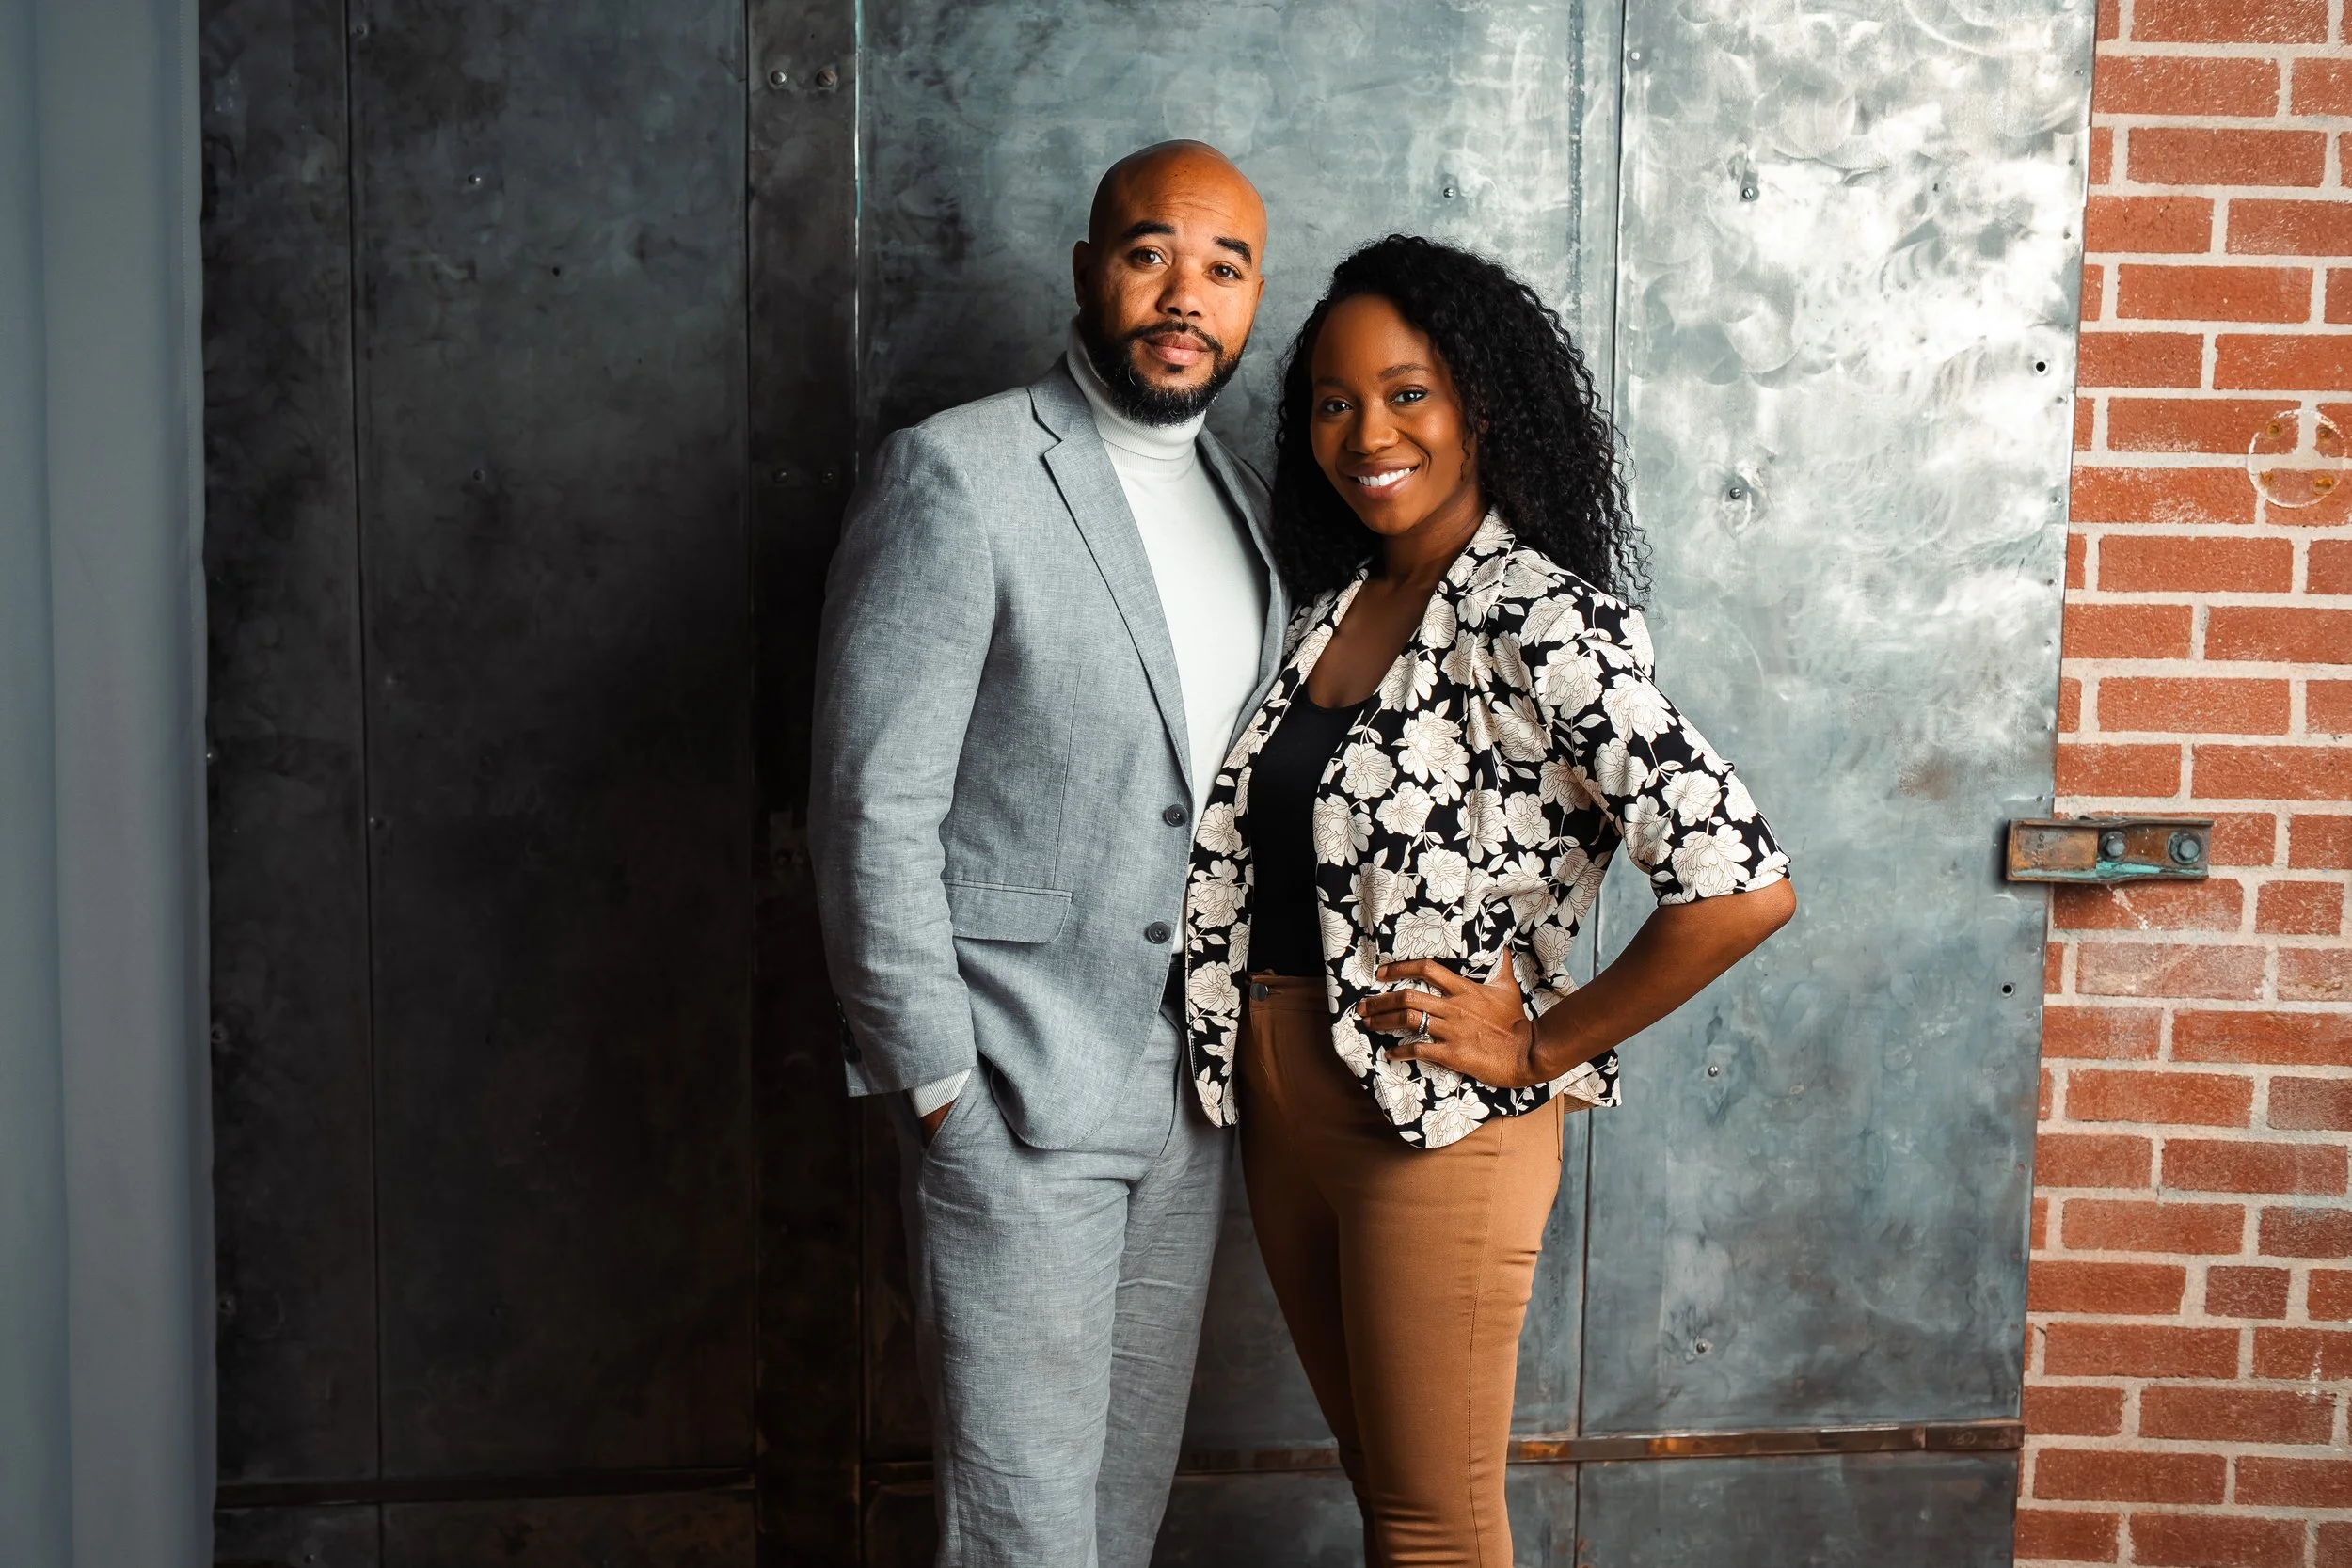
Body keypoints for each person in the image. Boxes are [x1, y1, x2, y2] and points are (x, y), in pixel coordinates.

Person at [1176, 236, 1797, 1566]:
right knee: (1384, 1490)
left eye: (1409, 392)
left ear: (1483, 404)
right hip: (1283, 1102)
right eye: (1334, 403)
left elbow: (1740, 882)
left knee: (1434, 1526)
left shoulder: (1539, 617)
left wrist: (1537, 1043)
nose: (1368, 432)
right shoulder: (1339, 601)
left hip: (1437, 1121)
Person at [809, 141, 1284, 1568]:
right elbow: (869, 805)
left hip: (1186, 1103)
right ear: (1090, 269)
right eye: (1151, 252)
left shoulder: (1244, 505)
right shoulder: (956, 474)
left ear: (1254, 298)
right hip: (1012, 1088)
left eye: (1225, 265)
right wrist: (940, 1083)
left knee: (1115, 1523)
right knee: (1022, 1540)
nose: (1184, 294)